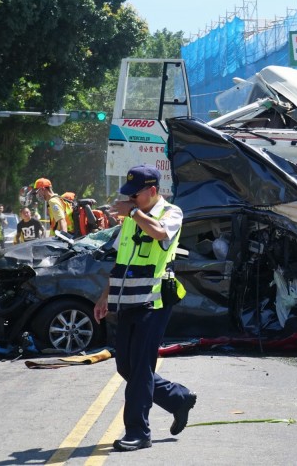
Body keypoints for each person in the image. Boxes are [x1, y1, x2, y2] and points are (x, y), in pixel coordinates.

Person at [93, 165, 195, 452]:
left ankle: (138, 432)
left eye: (134, 196)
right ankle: (177, 398)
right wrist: (104, 297)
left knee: (140, 368)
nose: (129, 200)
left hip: (154, 302)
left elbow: (161, 234)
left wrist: (134, 213)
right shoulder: (131, 219)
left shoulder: (170, 212)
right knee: (126, 366)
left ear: (152, 191)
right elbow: (120, 262)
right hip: (126, 302)